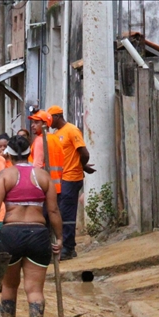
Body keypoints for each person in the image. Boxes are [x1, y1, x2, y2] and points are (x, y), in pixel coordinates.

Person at [0, 135, 62, 317]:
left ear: (8, 154)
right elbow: (53, 210)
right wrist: (60, 237)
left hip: (11, 234)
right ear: (29, 154)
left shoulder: (5, 176)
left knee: (9, 286)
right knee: (34, 290)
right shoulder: (43, 177)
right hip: (38, 234)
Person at [47, 105, 95, 260]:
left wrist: (81, 166)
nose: (48, 122)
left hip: (71, 177)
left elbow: (83, 152)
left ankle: (68, 248)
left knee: (67, 214)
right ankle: (65, 246)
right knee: (60, 212)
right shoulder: (57, 133)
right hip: (61, 178)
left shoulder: (72, 130)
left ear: (58, 116)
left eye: (50, 118)